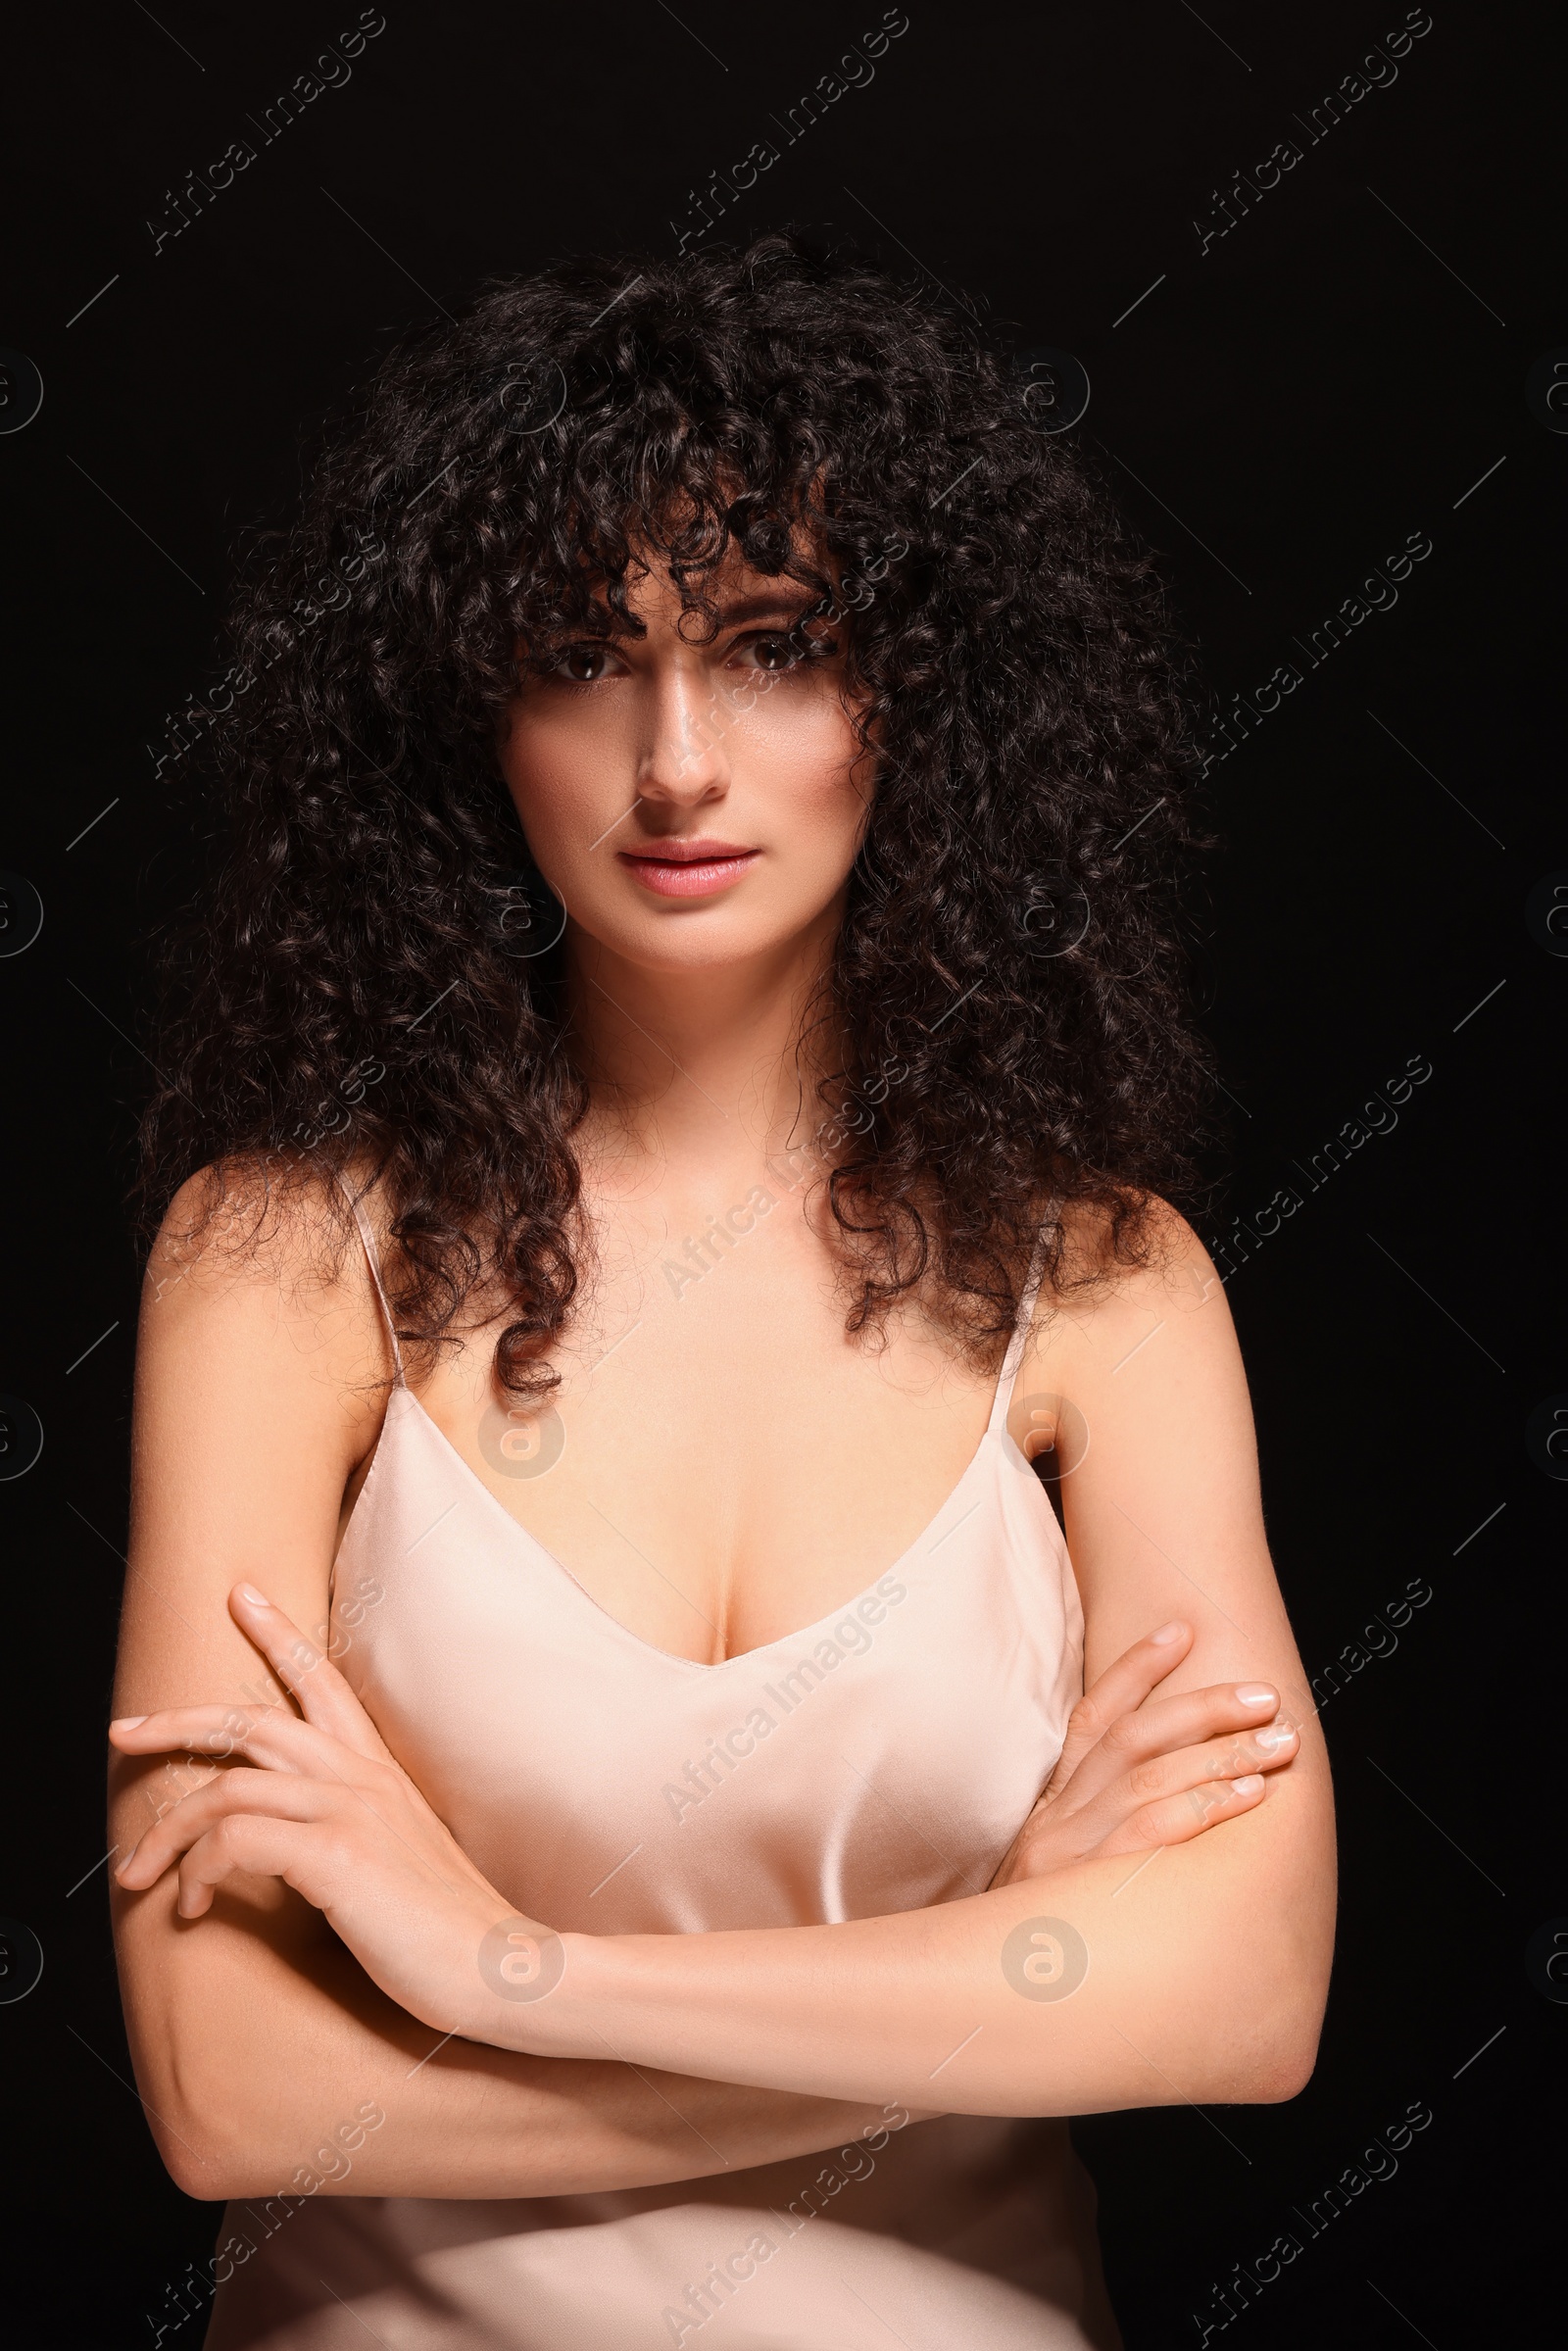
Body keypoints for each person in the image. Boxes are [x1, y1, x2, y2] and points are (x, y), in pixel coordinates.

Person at [109, 231, 1335, 2351]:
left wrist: (508, 1973)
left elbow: (1241, 2000)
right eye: (586, 651)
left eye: (772, 643)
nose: (675, 760)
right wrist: (1005, 1973)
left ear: (907, 702)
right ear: (473, 715)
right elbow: (229, 2099)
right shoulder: (278, 1264)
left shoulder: (1107, 1293)